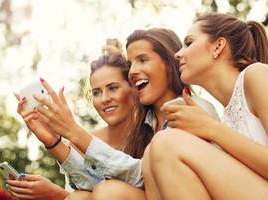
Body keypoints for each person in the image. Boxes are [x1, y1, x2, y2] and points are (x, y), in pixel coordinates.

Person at [31, 28, 218, 200]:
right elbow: (97, 183)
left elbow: (143, 176)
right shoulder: (147, 125)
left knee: (109, 192)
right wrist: (52, 142)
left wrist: (74, 131)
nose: (134, 71)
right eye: (130, 64)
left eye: (143, 60)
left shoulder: (192, 109)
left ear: (169, 63)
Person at [143, 13, 268, 199]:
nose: (178, 53)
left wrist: (211, 129)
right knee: (151, 153)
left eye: (189, 43)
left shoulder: (257, 75)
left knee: (166, 143)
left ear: (218, 46)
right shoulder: (226, 116)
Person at [8, 39, 143, 200]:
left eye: (113, 88)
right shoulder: (80, 143)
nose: (104, 99)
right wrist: (53, 142)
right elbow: (88, 193)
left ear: (134, 89)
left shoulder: (152, 131)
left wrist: (55, 194)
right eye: (96, 92)